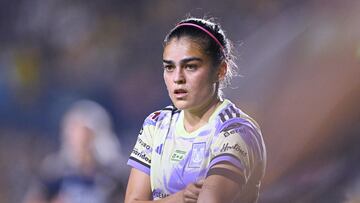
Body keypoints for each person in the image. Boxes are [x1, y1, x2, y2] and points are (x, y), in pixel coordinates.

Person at [125, 17, 266, 203]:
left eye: (190, 66)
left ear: (221, 70)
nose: (177, 78)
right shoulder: (156, 124)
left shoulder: (236, 130)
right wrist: (180, 198)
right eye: (169, 67)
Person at [23, 100, 127, 203]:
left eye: (86, 133)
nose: (80, 139)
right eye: (73, 131)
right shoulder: (55, 170)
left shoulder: (114, 174)